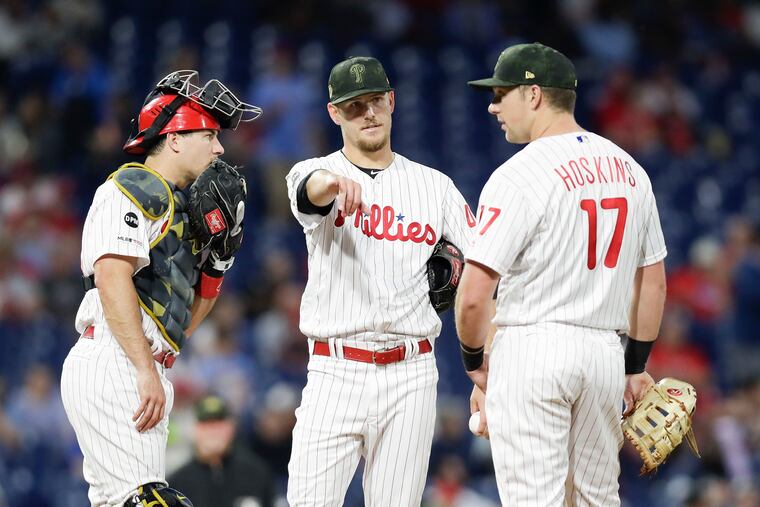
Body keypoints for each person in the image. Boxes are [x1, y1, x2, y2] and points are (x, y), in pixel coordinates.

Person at [455, 43, 667, 506]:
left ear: (533, 95)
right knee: (596, 499)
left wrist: (477, 365)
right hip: (605, 356)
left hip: (533, 349)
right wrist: (635, 367)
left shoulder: (519, 174)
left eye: (501, 93)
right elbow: (652, 280)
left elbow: (474, 295)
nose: (492, 106)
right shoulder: (631, 171)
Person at [60, 70, 260, 507]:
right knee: (151, 501)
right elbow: (111, 277)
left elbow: (183, 322)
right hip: (115, 360)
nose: (220, 147)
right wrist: (143, 369)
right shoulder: (129, 188)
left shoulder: (184, 211)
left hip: (146, 365)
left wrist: (219, 261)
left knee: (123, 501)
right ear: (173, 138)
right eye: (208, 134)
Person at [285, 56, 473, 506]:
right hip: (336, 369)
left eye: (374, 101)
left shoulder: (436, 187)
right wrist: (329, 183)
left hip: (412, 371)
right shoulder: (313, 170)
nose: (367, 113)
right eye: (353, 106)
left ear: (391, 101)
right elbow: (305, 190)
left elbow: (483, 267)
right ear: (335, 113)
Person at [168, 395, 274, 507]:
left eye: (219, 425)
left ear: (232, 428)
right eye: (207, 425)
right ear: (195, 429)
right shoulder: (178, 483)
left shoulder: (257, 474)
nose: (213, 432)